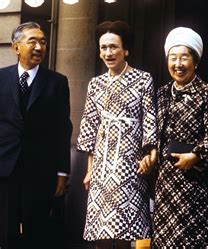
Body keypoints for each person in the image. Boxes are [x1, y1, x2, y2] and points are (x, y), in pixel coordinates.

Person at [76, 21, 157, 249]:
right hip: (102, 166)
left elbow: (150, 118)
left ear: (126, 49)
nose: (108, 53)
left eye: (113, 47)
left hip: (130, 163)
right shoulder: (95, 84)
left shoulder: (143, 79)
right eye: (103, 48)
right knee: (100, 230)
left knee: (124, 230)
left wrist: (150, 155)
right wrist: (90, 169)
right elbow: (90, 126)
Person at [0, 22, 72, 248]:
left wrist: (62, 172)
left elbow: (63, 129)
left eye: (43, 42)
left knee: (37, 233)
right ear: (16, 47)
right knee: (5, 231)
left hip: (41, 171)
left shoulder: (57, 82)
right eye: (33, 41)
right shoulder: (1, 78)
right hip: (5, 168)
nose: (40, 47)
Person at [152, 27, 208, 247]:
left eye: (184, 57)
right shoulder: (162, 93)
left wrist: (195, 156)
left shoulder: (207, 92)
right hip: (166, 182)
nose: (178, 64)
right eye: (173, 58)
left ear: (195, 61)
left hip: (196, 183)